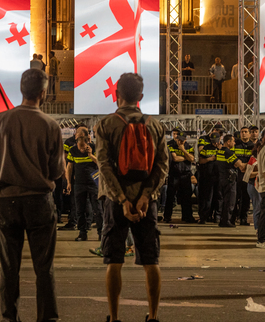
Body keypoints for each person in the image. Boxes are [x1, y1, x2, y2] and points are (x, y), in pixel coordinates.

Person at [0, 69, 65, 322]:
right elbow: (57, 171)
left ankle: (10, 317)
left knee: (9, 267)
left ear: (21, 90)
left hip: (6, 201)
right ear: (43, 93)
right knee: (44, 268)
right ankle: (47, 318)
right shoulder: (51, 125)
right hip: (39, 201)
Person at [95, 72, 168, 322]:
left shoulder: (106, 124)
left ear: (117, 95)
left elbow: (103, 165)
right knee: (151, 260)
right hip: (147, 203)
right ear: (141, 97)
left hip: (116, 202)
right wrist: (146, 195)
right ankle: (154, 316)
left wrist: (122, 199)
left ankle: (114, 318)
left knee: (114, 260)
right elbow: (162, 166)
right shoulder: (155, 125)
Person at [67, 135, 102, 241]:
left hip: (93, 184)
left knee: (98, 209)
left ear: (88, 143)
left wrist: (90, 154)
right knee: (80, 210)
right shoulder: (73, 150)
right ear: (76, 142)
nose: (81, 149)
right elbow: (69, 166)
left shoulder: (95, 148)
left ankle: (101, 233)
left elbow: (101, 163)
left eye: (83, 146)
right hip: (79, 184)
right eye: (80, 146)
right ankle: (82, 233)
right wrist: (69, 182)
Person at [165, 130, 195, 223]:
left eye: (182, 140)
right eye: (178, 140)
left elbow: (192, 159)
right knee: (170, 196)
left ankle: (187, 216)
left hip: (185, 175)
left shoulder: (190, 148)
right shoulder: (170, 146)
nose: (180, 142)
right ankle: (167, 216)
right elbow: (175, 158)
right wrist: (186, 157)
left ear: (185, 140)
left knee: (187, 197)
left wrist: (182, 150)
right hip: (174, 175)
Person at [217, 134, 247, 228]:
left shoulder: (220, 151)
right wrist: (251, 164)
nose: (234, 143)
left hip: (221, 178)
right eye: (233, 141)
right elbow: (240, 165)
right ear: (228, 142)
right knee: (230, 201)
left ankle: (222, 219)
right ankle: (226, 220)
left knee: (223, 201)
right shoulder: (229, 152)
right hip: (230, 180)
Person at [233, 127, 254, 225]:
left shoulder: (253, 146)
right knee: (235, 197)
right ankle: (233, 217)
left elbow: (254, 160)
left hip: (248, 174)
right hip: (237, 173)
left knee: (245, 198)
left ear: (249, 134)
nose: (244, 134)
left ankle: (243, 218)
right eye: (242, 132)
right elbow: (232, 157)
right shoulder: (236, 144)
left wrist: (245, 166)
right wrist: (240, 165)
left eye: (246, 132)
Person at [198, 132, 221, 224]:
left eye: (216, 141)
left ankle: (217, 217)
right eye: (213, 141)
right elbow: (200, 160)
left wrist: (219, 151)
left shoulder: (222, 148)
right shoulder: (206, 148)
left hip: (219, 177)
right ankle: (204, 217)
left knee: (218, 197)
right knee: (207, 198)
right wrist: (210, 159)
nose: (215, 143)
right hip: (208, 176)